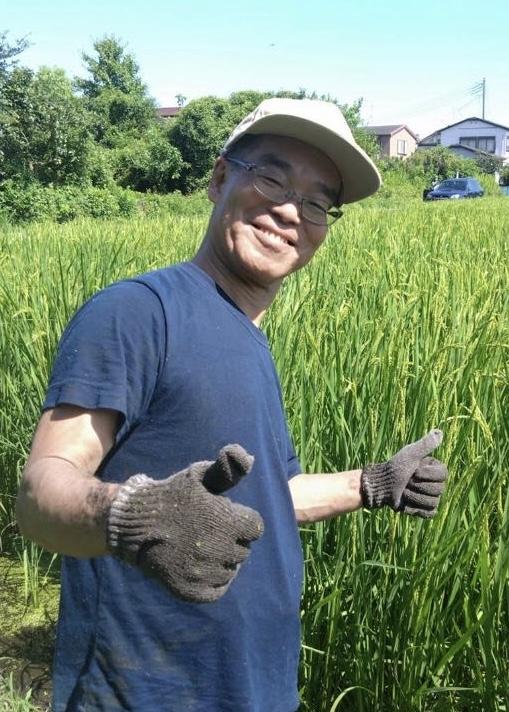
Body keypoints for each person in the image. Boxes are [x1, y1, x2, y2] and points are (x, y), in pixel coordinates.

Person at [16, 98, 448, 712]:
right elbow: (40, 495)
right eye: (272, 178)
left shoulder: (248, 339)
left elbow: (267, 496)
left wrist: (371, 484)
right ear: (220, 178)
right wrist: (133, 515)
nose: (291, 211)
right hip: (144, 693)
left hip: (253, 687)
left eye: (318, 202)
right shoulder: (140, 312)